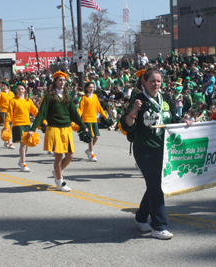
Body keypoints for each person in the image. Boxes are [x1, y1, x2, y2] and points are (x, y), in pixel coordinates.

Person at [120, 68, 193, 240]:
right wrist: (133, 113)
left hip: (164, 148)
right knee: (156, 186)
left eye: (159, 81)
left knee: (156, 185)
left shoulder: (165, 98)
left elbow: (173, 118)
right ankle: (159, 226)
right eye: (152, 80)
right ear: (144, 82)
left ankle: (140, 217)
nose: (156, 84)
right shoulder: (138, 99)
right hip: (144, 148)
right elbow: (127, 124)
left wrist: (185, 121)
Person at [28, 71, 87, 192]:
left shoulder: (67, 96)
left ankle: (57, 171)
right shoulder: (48, 97)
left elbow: (74, 114)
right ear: (55, 82)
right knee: (58, 157)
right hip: (54, 129)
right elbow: (41, 114)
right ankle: (60, 182)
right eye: (60, 80)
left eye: (64, 80)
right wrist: (32, 129)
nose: (62, 82)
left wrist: (83, 126)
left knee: (70, 155)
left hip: (66, 129)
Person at [4, 82, 38, 172]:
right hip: (18, 124)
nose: (20, 91)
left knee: (26, 143)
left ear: (24, 90)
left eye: (22, 89)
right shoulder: (13, 100)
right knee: (23, 143)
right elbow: (9, 114)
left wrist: (43, 121)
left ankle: (21, 160)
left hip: (27, 123)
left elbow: (34, 111)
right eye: (19, 89)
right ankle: (23, 163)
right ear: (16, 90)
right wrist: (6, 125)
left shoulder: (28, 100)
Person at [77, 82, 108, 162]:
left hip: (94, 119)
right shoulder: (84, 98)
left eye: (93, 87)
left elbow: (99, 107)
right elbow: (80, 109)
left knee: (96, 136)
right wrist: (76, 117)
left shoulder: (95, 96)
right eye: (90, 87)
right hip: (86, 119)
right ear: (86, 88)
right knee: (90, 137)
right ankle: (91, 153)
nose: (92, 89)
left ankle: (89, 150)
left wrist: (105, 115)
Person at [0, 81, 16, 148]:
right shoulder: (1, 94)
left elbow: (15, 102)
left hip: (11, 111)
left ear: (7, 86)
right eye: (2, 86)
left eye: (4, 85)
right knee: (7, 127)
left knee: (11, 126)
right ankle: (10, 142)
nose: (3, 87)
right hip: (4, 111)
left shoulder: (11, 93)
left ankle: (6, 140)